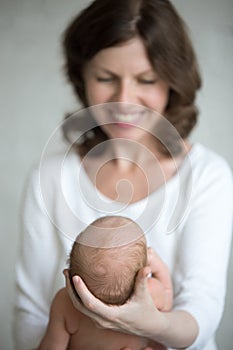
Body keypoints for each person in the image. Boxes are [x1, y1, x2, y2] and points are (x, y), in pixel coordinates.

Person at [14, 0, 233, 349]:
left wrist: (152, 324)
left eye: (146, 80)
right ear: (81, 76)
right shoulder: (52, 177)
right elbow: (31, 314)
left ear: (173, 81)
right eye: (105, 78)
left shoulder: (208, 176)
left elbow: (203, 311)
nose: (124, 99)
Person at [38, 216, 172, 350]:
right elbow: (167, 308)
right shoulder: (151, 293)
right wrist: (160, 268)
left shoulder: (64, 303)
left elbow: (51, 346)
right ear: (142, 274)